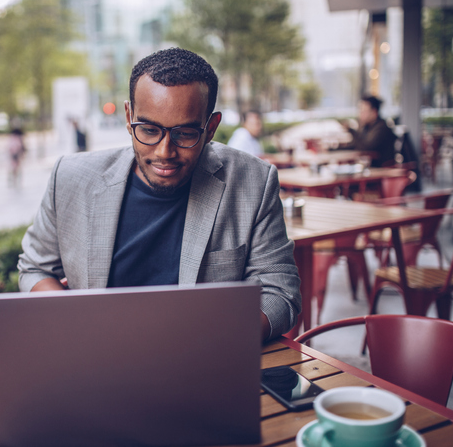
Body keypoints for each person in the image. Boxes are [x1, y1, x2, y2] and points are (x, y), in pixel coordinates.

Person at [18, 48, 301, 342]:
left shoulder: (253, 182)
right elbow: (34, 268)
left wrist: (215, 340)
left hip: (201, 360)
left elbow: (280, 292)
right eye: (150, 130)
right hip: (95, 357)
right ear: (129, 117)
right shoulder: (71, 177)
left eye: (185, 134)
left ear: (211, 128)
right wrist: (76, 317)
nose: (164, 152)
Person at [342, 94, 396, 168]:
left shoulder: (381, 128)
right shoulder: (367, 127)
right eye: (360, 111)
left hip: (383, 171)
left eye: (363, 111)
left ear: (374, 112)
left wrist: (351, 131)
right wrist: (331, 150)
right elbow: (355, 145)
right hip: (371, 169)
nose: (360, 114)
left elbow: (366, 148)